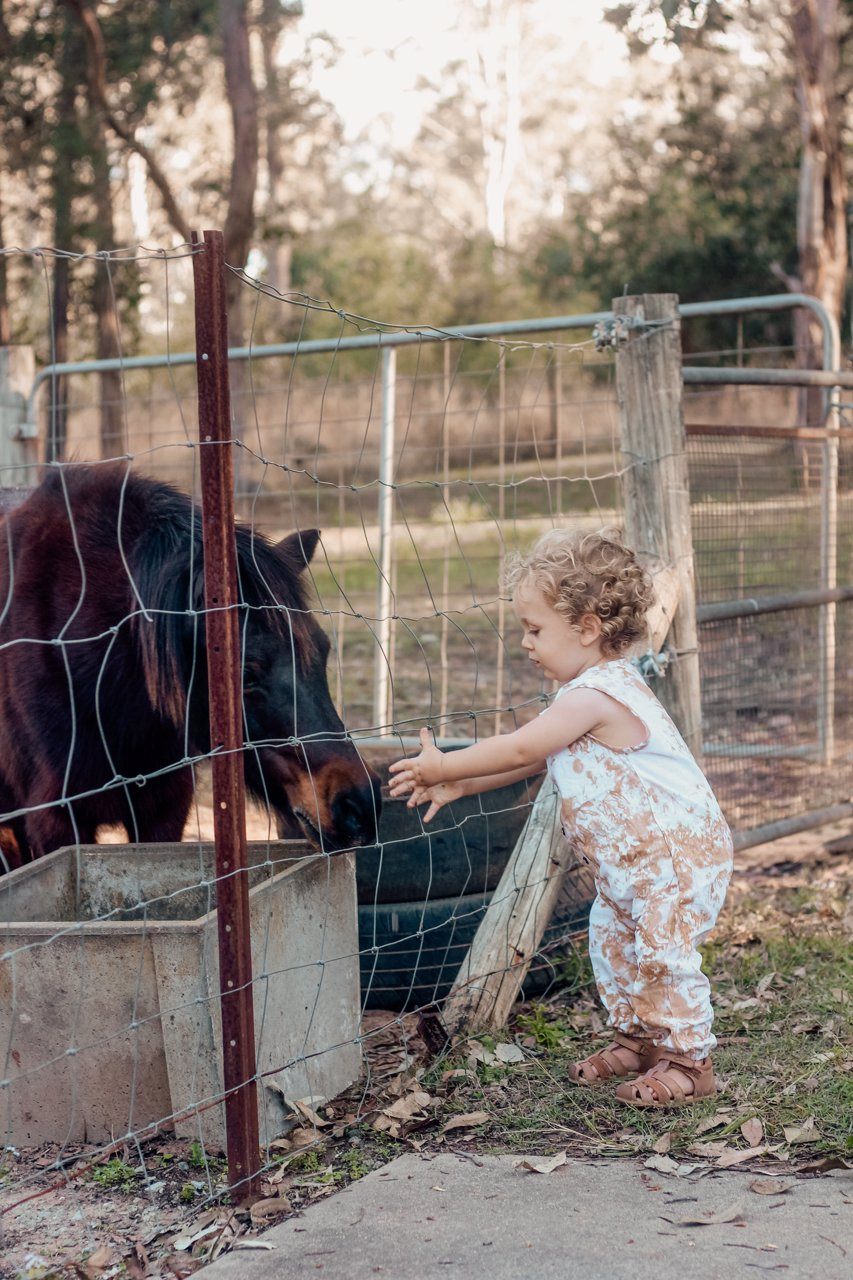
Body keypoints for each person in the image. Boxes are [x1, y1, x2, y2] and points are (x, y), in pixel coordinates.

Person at [388, 529, 733, 1108]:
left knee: (662, 953)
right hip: (632, 864)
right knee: (614, 942)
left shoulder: (596, 697)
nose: (524, 642)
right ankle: (638, 1040)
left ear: (588, 627)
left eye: (535, 629)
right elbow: (536, 758)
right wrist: (459, 784)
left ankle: (690, 1061)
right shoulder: (581, 697)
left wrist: (443, 763)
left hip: (673, 859)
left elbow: (522, 749)